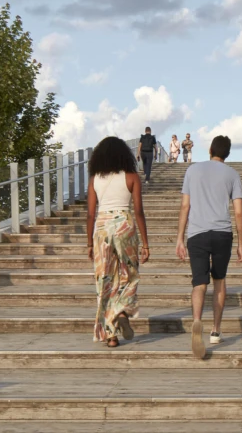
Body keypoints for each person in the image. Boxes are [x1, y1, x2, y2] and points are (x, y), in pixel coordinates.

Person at [175, 134, 242, 358]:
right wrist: (241, 242)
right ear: (227, 153)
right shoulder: (232, 174)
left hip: (197, 234)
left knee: (199, 283)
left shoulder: (192, 171)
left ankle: (197, 321)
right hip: (222, 234)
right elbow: (239, 212)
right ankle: (215, 330)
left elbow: (185, 206)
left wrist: (179, 238)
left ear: (210, 150)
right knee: (219, 281)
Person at [86, 136, 150, 347]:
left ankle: (111, 336)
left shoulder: (95, 179)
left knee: (104, 279)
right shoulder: (132, 177)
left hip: (102, 226)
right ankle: (122, 310)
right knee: (128, 273)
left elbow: (90, 214)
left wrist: (88, 243)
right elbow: (139, 211)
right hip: (125, 223)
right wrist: (146, 243)